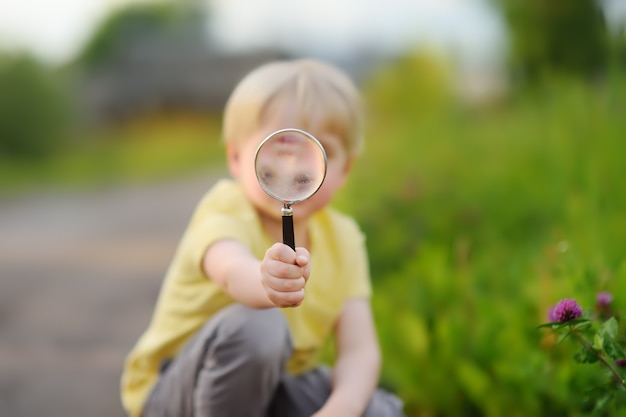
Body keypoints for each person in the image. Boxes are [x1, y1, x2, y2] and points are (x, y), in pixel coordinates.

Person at [120, 58, 405, 417]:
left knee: (378, 410)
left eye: (321, 153)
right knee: (261, 324)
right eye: (279, 151)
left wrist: (341, 408)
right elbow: (230, 269)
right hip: (179, 392)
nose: (297, 169)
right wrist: (264, 279)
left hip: (274, 390)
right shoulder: (224, 208)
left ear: (346, 168)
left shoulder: (343, 238)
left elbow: (360, 350)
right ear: (237, 159)